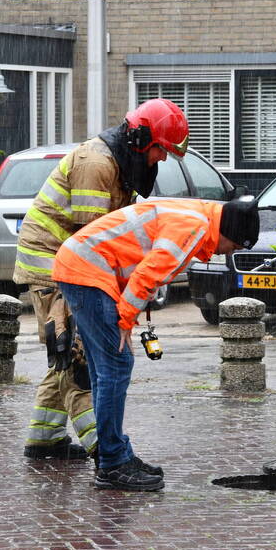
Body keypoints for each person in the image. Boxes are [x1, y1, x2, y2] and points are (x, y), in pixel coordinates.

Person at [13, 98, 189, 461]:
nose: (163, 159)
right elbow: (88, 243)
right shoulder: (96, 164)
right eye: (161, 150)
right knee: (76, 353)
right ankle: (104, 448)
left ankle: (44, 438)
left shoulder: (120, 164)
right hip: (53, 261)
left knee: (63, 352)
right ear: (141, 139)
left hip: (69, 259)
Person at [52, 197, 259, 491]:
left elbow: (141, 265)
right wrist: (125, 320)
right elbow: (148, 274)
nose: (232, 251)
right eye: (236, 245)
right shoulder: (193, 227)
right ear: (228, 233)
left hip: (82, 267)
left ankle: (115, 454)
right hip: (88, 272)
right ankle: (112, 464)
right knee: (115, 365)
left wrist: (127, 317)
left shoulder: (197, 217)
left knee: (105, 369)